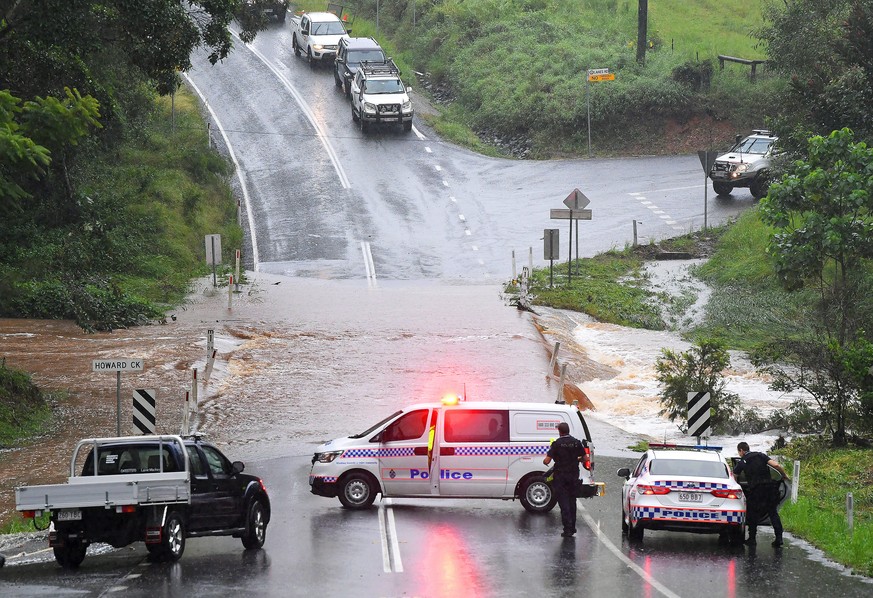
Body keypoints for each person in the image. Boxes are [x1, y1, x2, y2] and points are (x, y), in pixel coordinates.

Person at [733, 441, 789, 547]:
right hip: (770, 489)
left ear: (741, 450)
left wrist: (737, 487)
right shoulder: (761, 455)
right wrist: (784, 475)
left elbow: (735, 476)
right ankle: (779, 538)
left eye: (739, 452)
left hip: (756, 490)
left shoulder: (742, 461)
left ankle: (752, 539)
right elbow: (776, 465)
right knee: (773, 513)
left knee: (752, 514)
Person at [543, 422, 586, 537]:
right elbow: (585, 458)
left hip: (561, 477)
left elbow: (547, 461)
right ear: (568, 430)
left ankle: (567, 529)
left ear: (559, 431)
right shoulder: (577, 443)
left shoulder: (557, 444)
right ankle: (572, 528)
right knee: (572, 502)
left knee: (564, 503)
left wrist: (547, 460)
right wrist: (576, 459)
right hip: (573, 476)